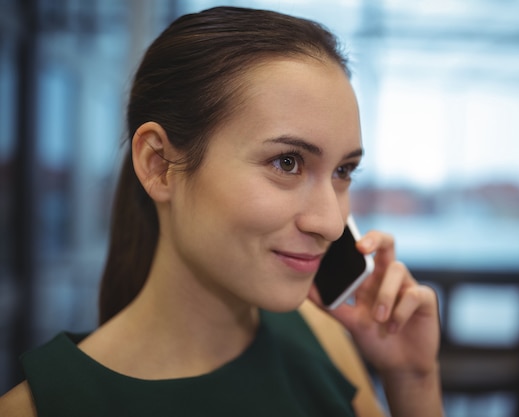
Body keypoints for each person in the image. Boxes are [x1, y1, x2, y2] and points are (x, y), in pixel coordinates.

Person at [0, 6, 443, 417]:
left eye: (344, 170)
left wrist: (413, 379)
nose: (330, 222)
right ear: (160, 166)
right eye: (286, 163)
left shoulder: (320, 337)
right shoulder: (41, 408)